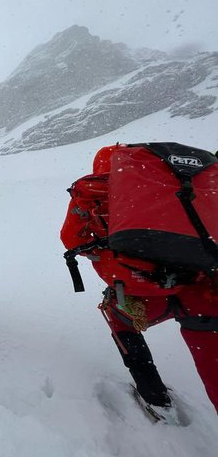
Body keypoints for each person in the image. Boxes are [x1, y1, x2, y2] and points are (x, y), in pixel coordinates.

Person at [61, 145, 218, 415]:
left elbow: (72, 239)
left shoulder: (94, 192)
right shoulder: (184, 186)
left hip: (141, 291)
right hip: (204, 290)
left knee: (118, 316)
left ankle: (155, 398)